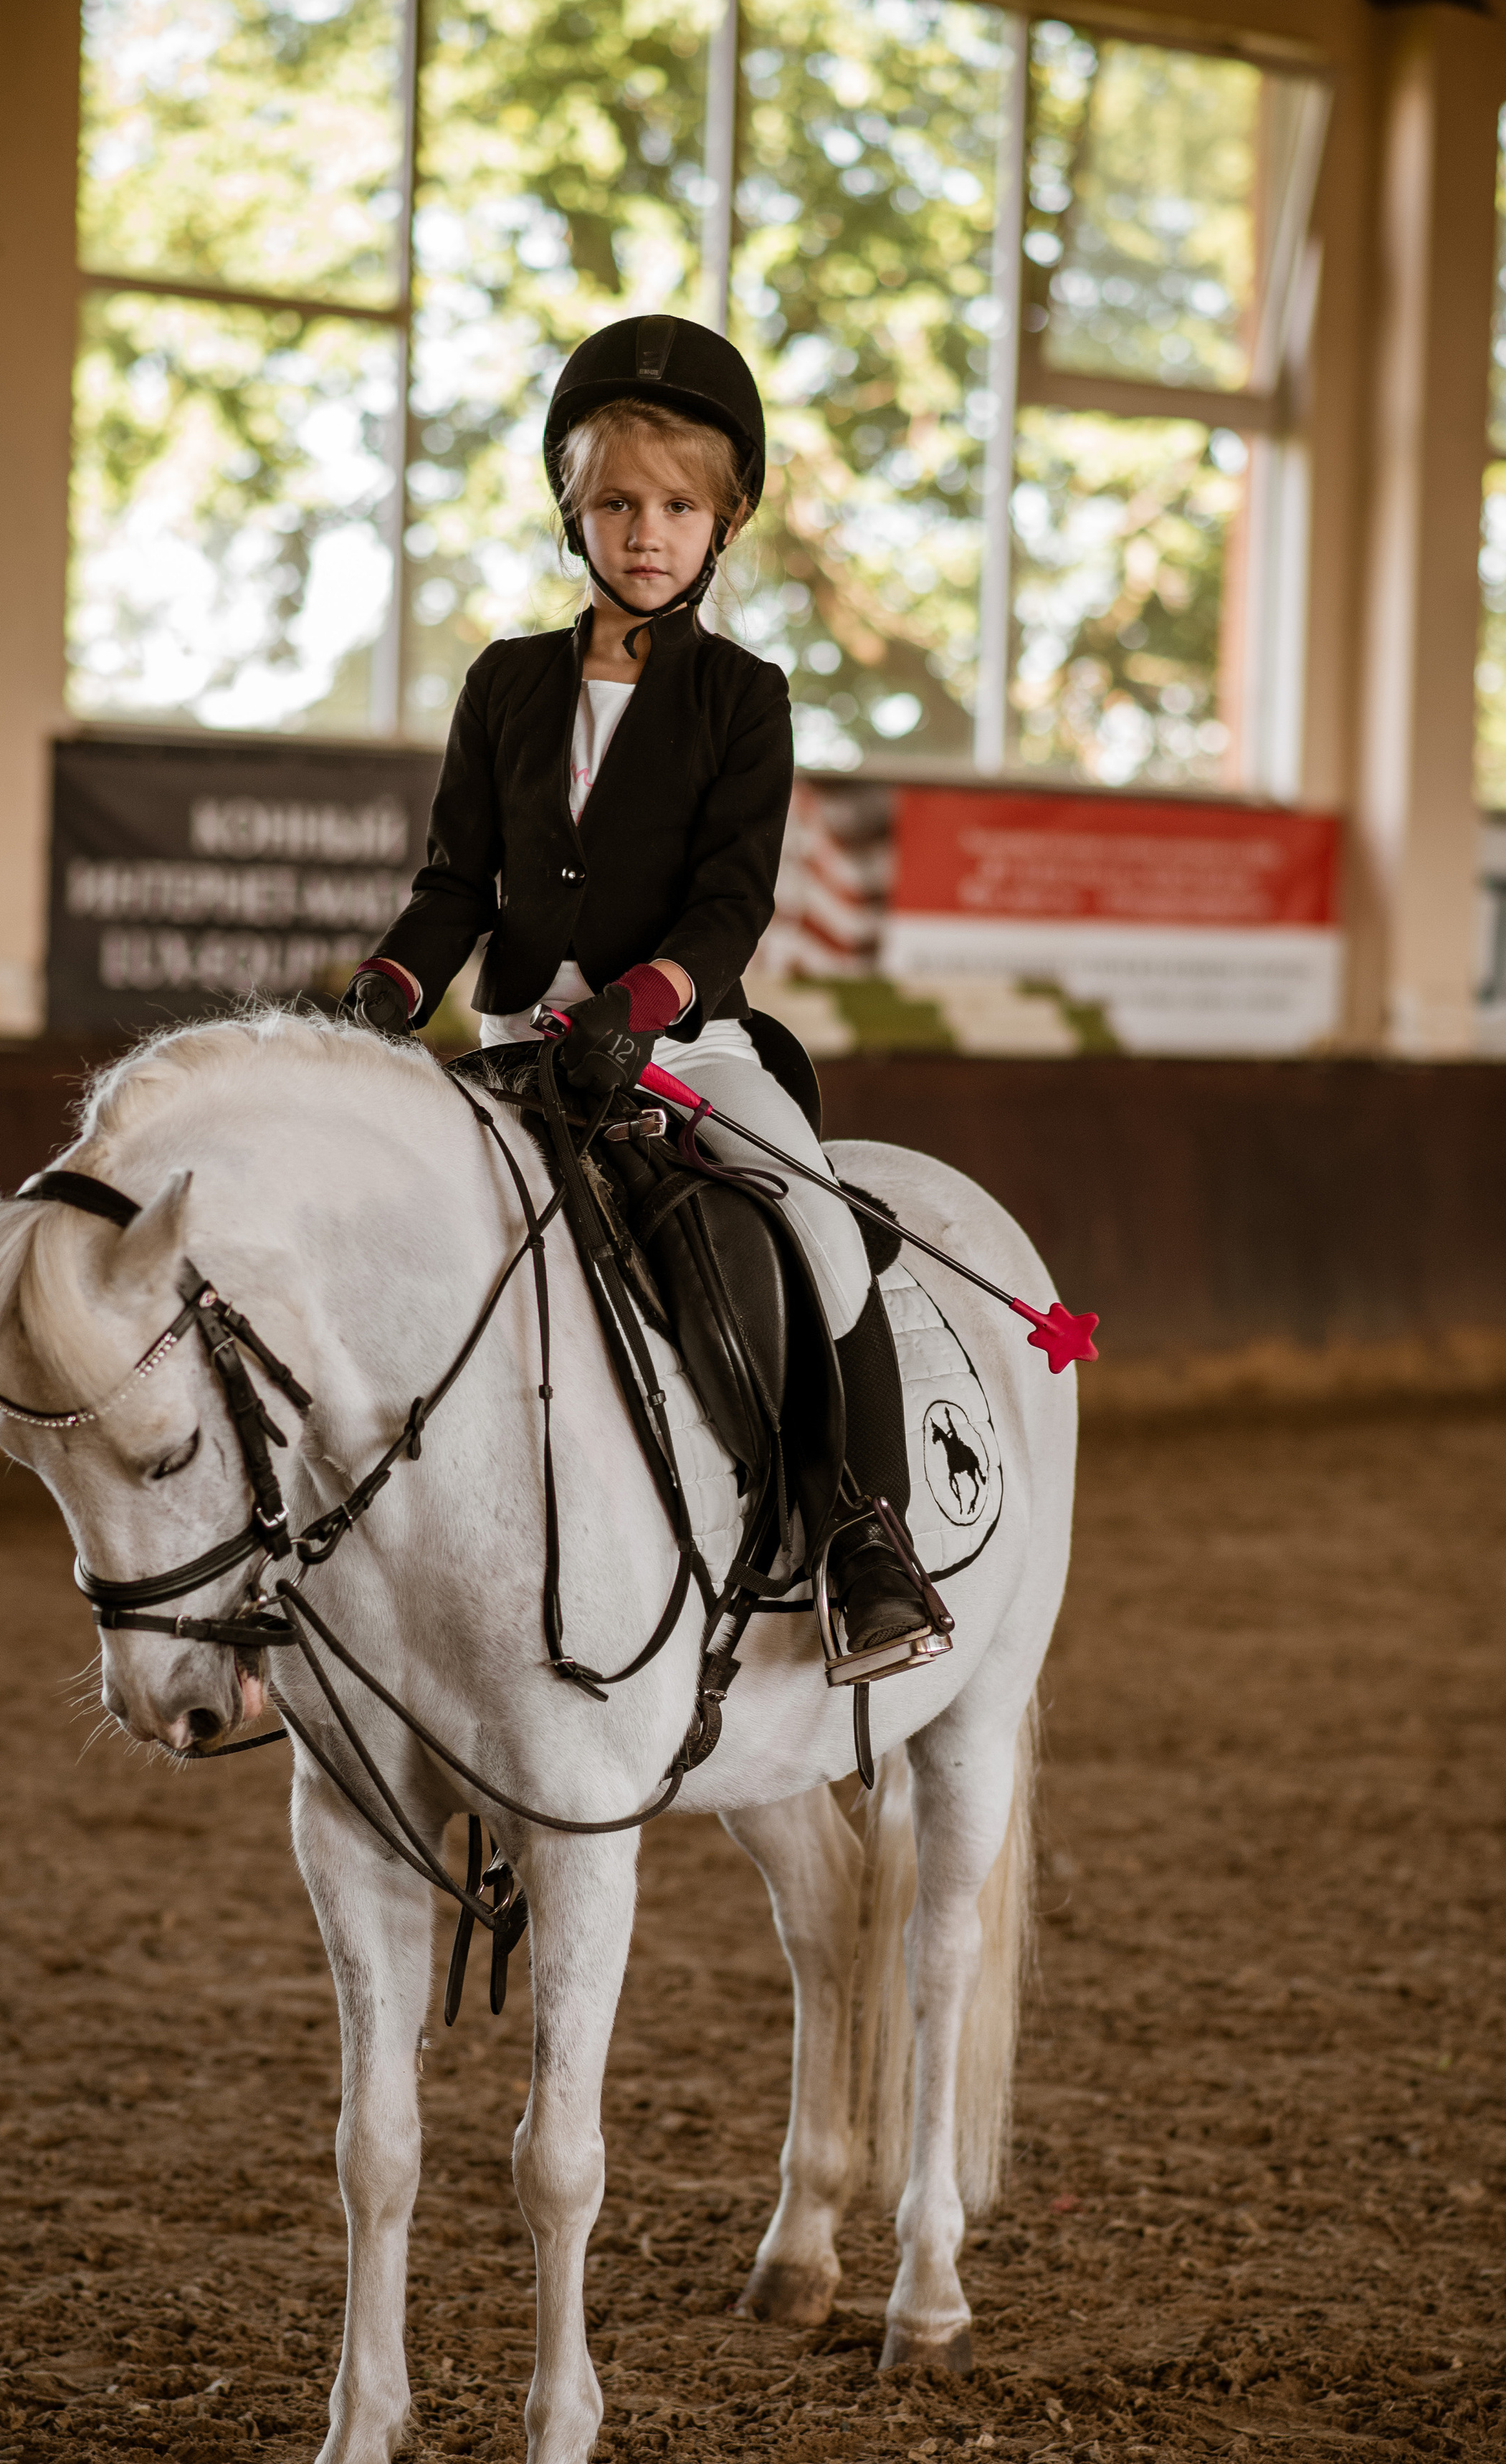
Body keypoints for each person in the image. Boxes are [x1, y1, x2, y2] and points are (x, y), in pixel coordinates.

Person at [343, 312, 938, 1668]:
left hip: (682, 1048)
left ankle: (866, 1538)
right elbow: (456, 883)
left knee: (817, 1219)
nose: (646, 532)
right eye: (617, 503)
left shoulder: (745, 697)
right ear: (575, 513)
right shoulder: (505, 683)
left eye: (678, 506)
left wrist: (634, 1006)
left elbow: (730, 905)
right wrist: (387, 987)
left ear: (725, 522)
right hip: (512, 1046)